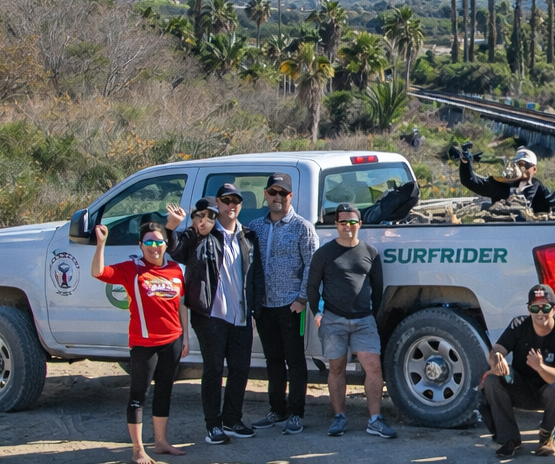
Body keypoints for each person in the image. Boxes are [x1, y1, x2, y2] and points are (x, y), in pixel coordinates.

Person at [164, 188, 263, 446]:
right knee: (214, 370)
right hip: (210, 315)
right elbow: (175, 250)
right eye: (227, 200)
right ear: (218, 204)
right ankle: (213, 425)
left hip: (241, 316)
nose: (232, 205)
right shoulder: (202, 231)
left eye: (236, 201)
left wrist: (254, 309)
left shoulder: (248, 236)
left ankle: (232, 420)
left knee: (240, 369)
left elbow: (256, 276)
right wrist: (170, 228)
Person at [91, 220, 187, 464]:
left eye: (159, 242)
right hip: (144, 343)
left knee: (164, 392)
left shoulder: (176, 269)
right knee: (138, 396)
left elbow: (181, 305)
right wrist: (101, 244)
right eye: (149, 242)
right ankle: (137, 449)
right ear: (140, 245)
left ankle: (162, 442)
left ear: (166, 244)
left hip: (172, 340)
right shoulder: (131, 269)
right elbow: (98, 273)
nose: (154, 247)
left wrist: (185, 337)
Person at [307, 203, 395, 439]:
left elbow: (378, 290)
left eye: (352, 222)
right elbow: (312, 287)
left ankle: (375, 419)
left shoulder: (371, 252)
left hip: (363, 320)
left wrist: (373, 317)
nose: (348, 226)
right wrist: (318, 313)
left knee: (374, 368)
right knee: (336, 368)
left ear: (360, 224)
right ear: (336, 225)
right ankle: (339, 417)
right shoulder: (324, 254)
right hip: (333, 320)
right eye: (343, 222)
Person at [247, 172, 319, 434]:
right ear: (265, 194)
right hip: (264, 307)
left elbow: (313, 266)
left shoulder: (302, 227)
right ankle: (277, 409)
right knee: (273, 360)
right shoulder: (255, 227)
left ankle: (296, 413)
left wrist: (302, 299)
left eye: (282, 193)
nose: (277, 198)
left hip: (292, 306)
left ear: (290, 196)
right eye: (272, 192)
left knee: (295, 360)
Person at [482, 285, 555, 458]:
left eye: (545, 307)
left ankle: (547, 436)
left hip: (549, 392)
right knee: (492, 380)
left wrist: (540, 367)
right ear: (529, 309)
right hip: (521, 389)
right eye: (535, 307)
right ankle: (509, 438)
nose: (540, 312)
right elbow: (496, 349)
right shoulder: (518, 324)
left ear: (554, 309)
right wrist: (497, 359)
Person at [459, 146, 555, 212]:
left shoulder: (537, 187)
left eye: (524, 165)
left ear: (534, 169)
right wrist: (465, 163)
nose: (520, 168)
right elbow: (471, 181)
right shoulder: (502, 184)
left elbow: (554, 206)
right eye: (517, 164)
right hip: (503, 230)